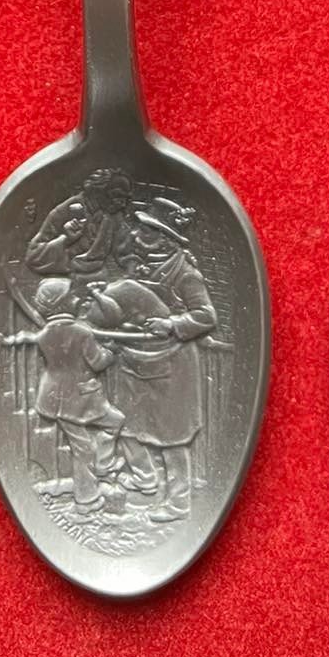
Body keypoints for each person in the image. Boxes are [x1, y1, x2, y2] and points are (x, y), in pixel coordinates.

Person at [93, 219, 217, 522]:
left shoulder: (186, 274)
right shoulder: (143, 265)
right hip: (136, 360)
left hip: (172, 365)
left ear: (164, 237)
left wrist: (172, 324)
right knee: (127, 423)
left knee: (173, 435)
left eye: (146, 230)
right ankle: (145, 478)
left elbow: (206, 316)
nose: (136, 234)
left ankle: (178, 503)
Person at [1, 278, 125, 510]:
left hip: (55, 399)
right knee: (89, 445)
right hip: (80, 398)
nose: (76, 299)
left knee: (107, 428)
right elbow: (98, 363)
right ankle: (87, 498)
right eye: (71, 296)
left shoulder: (45, 334)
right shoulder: (82, 332)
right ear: (62, 304)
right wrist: (110, 352)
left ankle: (102, 467)